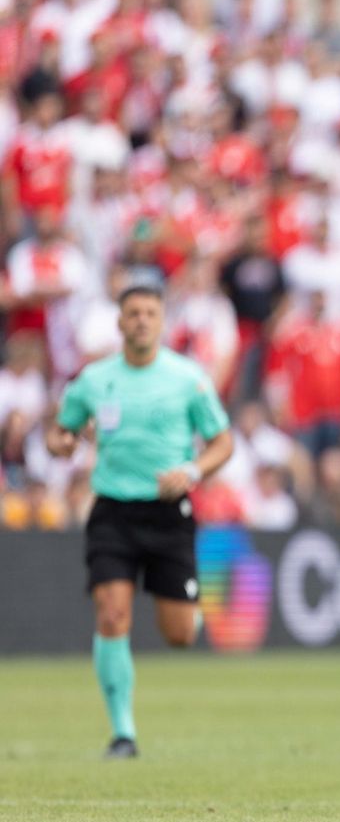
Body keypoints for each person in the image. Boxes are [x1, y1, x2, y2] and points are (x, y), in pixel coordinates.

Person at [45, 286, 234, 759]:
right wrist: (62, 443)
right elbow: (61, 429)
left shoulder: (188, 378)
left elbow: (222, 442)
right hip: (112, 510)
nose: (142, 321)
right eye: (133, 313)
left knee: (180, 635)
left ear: (163, 321)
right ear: (119, 323)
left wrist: (191, 471)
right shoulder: (94, 380)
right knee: (111, 614)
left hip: (169, 513)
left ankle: (181, 607)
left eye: (151, 313)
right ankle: (122, 733)